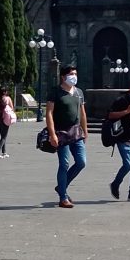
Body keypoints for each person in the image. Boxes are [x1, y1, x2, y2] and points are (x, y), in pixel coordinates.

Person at [45, 64, 88, 208]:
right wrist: (52, 134)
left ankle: (61, 187)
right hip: (61, 132)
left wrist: (85, 130)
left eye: (75, 74)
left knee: (81, 162)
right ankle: (63, 197)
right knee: (64, 164)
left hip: (76, 132)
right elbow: (49, 113)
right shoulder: (55, 92)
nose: (74, 76)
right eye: (71, 74)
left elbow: (82, 113)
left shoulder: (79, 92)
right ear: (63, 77)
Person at [0, 86, 15, 158]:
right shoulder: (7, 99)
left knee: (2, 135)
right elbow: (12, 108)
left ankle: (4, 152)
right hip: (5, 118)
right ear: (5, 92)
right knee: (4, 136)